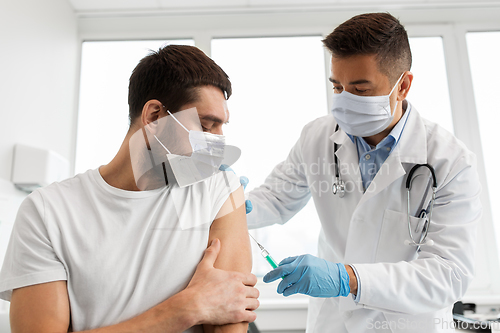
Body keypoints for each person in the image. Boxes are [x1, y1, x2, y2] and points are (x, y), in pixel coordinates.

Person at [246, 13, 481, 332]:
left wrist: (348, 279)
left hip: (406, 323)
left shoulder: (449, 161)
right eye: (338, 87)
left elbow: (448, 274)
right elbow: (275, 198)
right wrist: (231, 204)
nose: (343, 102)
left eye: (360, 89)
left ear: (403, 86)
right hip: (333, 322)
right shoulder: (317, 137)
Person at [0, 45, 259, 333]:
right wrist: (187, 307)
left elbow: (229, 323)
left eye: (222, 128)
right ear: (154, 116)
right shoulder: (48, 212)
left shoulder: (218, 191)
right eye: (207, 127)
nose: (218, 144)